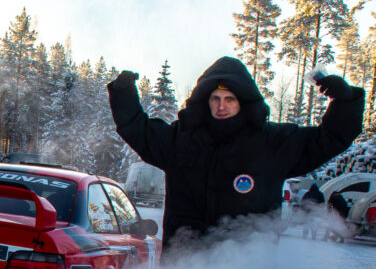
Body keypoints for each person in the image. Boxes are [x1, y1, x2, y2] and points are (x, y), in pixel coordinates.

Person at [107, 56, 364, 252]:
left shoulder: (274, 143)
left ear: (243, 101)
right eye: (215, 98)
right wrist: (123, 95)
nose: (222, 105)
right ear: (205, 101)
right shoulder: (180, 140)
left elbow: (332, 137)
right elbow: (137, 129)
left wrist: (346, 102)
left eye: (229, 98)